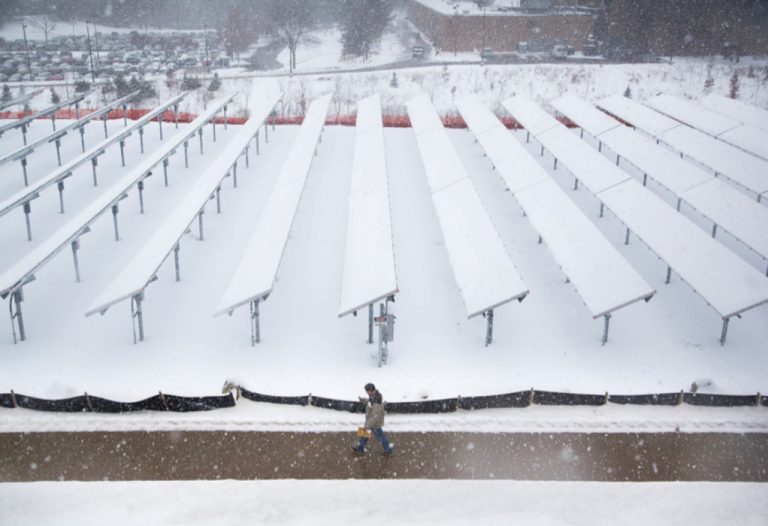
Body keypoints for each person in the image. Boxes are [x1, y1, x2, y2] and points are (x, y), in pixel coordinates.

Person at [353, 383, 394, 456]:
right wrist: (364, 400)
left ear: (370, 390)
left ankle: (389, 450)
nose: (366, 392)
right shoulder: (373, 396)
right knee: (365, 435)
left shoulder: (376, 399)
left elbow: (376, 415)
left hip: (375, 423)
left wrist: (368, 424)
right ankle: (360, 448)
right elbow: (370, 404)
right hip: (371, 420)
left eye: (367, 391)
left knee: (381, 437)